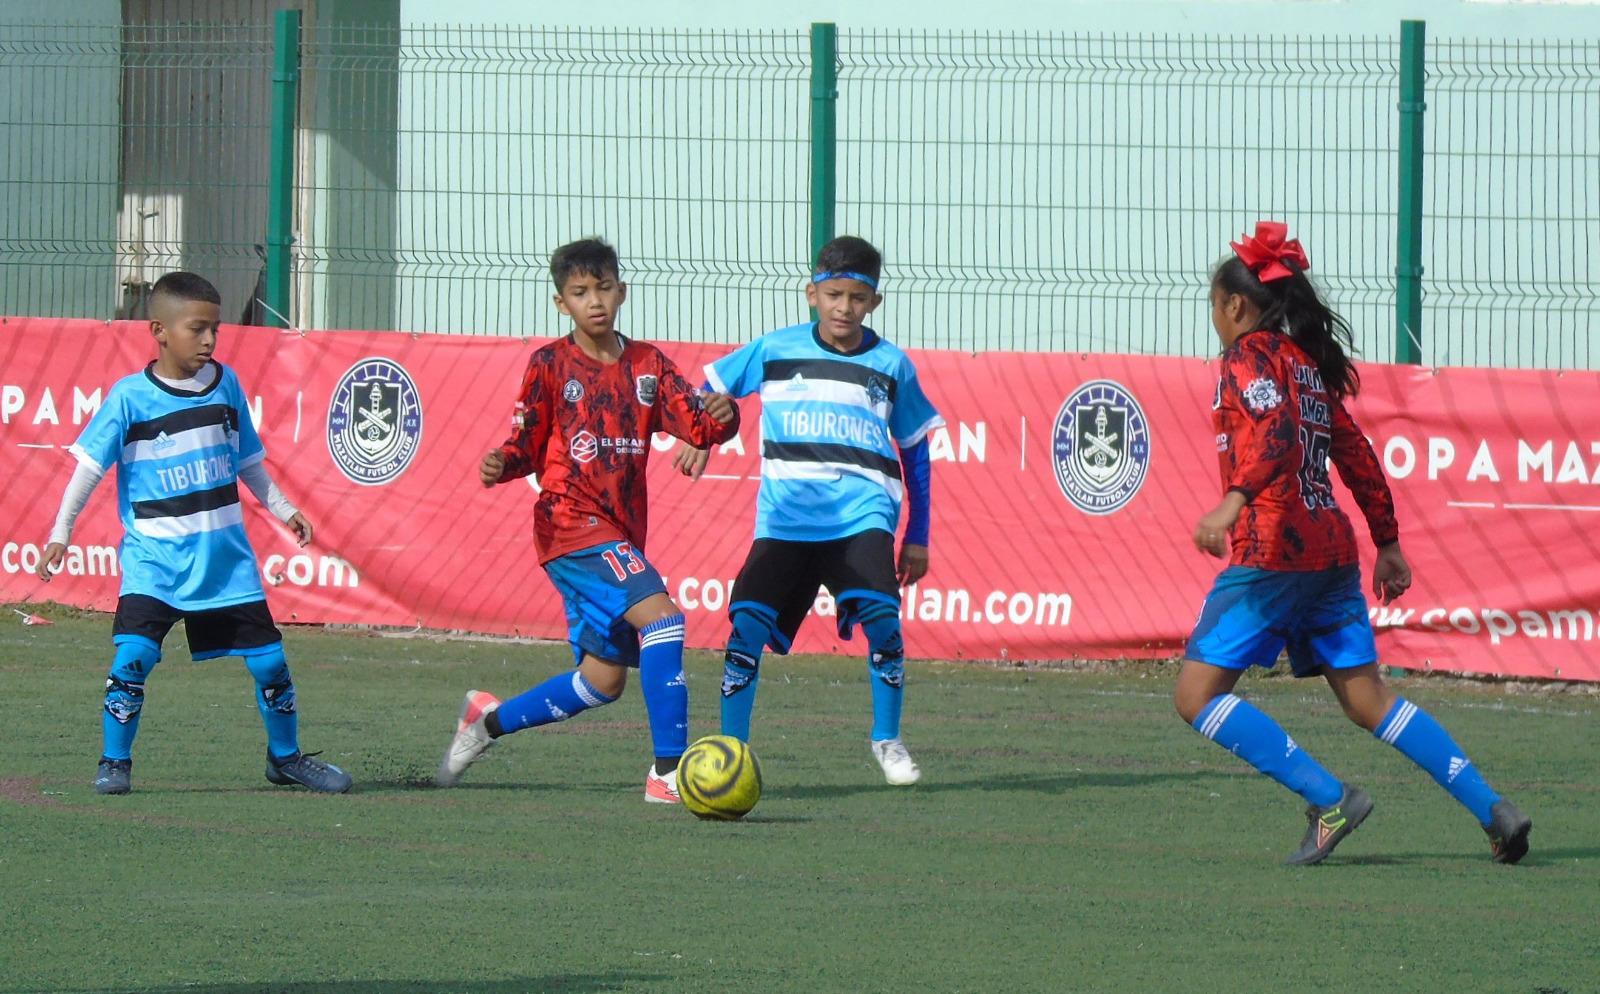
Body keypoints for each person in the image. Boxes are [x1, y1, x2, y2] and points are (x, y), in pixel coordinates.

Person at [1175, 221, 1531, 865]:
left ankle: (1329, 799)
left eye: (1214, 305)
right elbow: (1356, 453)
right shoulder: (1307, 367)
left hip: (1273, 550)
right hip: (1332, 555)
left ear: (1234, 304)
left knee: (1195, 696)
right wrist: (1387, 542)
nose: (1215, 319)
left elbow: (1277, 433)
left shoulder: (1247, 359)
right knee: (1370, 700)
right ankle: (1493, 809)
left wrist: (1232, 502)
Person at [437, 237, 740, 802]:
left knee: (602, 682)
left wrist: (725, 416)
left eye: (603, 288)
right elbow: (526, 443)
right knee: (665, 621)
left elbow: (698, 426)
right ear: (561, 303)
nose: (594, 301)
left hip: (619, 533)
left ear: (621, 292)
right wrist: (503, 462)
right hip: (569, 523)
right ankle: (667, 774)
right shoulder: (549, 364)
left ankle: (485, 724)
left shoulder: (647, 364)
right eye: (579, 292)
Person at [37, 271, 351, 795]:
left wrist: (284, 507)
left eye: (216, 331)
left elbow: (248, 460)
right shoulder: (129, 399)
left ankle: (286, 758)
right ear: (159, 330)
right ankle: (115, 762)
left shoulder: (225, 385)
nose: (208, 340)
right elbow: (88, 469)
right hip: (154, 562)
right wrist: (60, 533)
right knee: (132, 657)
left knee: (271, 662)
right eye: (197, 329)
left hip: (224, 560)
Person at [675, 235, 942, 785]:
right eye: (833, 295)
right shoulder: (775, 349)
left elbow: (915, 451)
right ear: (811, 294)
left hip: (860, 517)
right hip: (787, 520)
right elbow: (708, 392)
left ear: (875, 303)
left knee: (883, 621)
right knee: (746, 625)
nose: (844, 308)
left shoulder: (892, 365)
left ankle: (888, 740)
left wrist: (918, 533)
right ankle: (730, 750)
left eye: (857, 298)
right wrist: (701, 431)